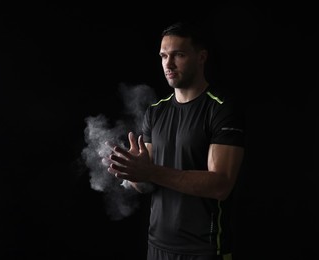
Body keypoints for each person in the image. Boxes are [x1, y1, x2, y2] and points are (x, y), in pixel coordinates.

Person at [105, 21, 246, 260]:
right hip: (157, 246)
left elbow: (221, 185)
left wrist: (150, 172)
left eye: (178, 55)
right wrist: (132, 172)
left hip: (204, 250)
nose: (168, 64)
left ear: (201, 57)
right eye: (163, 56)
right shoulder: (155, 112)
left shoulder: (220, 109)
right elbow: (147, 181)